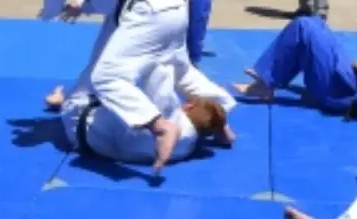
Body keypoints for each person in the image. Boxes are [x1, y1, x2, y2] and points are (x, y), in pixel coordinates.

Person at [38, 0, 191, 174]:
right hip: (170, 2)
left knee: (106, 76)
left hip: (145, 10)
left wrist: (48, 10)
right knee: (165, 70)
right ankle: (216, 121)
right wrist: (81, 6)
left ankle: (159, 126)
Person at [59, 61, 237, 167]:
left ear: (188, 107)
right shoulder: (187, 148)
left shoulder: (167, 116)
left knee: (106, 67)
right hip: (90, 141)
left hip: (77, 114)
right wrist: (221, 127)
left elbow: (160, 66)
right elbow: (217, 110)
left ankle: (61, 100)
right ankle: (61, 101)